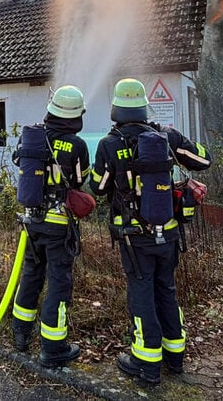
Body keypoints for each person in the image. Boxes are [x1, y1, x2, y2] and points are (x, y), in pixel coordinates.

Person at [90, 78, 212, 385]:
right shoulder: (165, 135)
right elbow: (202, 159)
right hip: (168, 233)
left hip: (134, 237)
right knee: (166, 290)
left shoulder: (110, 143)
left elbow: (98, 187)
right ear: (144, 106)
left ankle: (146, 363)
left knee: (141, 293)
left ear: (116, 108)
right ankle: (176, 357)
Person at [11, 85, 91, 368]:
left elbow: (19, 163)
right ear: (75, 116)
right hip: (59, 226)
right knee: (58, 282)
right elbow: (80, 181)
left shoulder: (33, 138)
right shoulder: (77, 145)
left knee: (31, 275)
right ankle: (53, 347)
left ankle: (20, 335)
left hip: (31, 222)